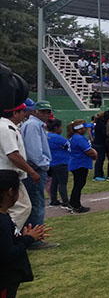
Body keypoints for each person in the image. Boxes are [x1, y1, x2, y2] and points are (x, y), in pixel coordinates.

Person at [0, 170, 51, 298]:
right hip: (5, 279)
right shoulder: (2, 222)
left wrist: (22, 238)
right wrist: (28, 239)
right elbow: (7, 254)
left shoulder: (5, 216)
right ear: (11, 192)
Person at [19, 100, 53, 244]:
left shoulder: (35, 125)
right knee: (36, 204)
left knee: (34, 203)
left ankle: (31, 237)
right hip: (35, 168)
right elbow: (35, 152)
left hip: (34, 167)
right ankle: (34, 240)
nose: (46, 114)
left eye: (48, 112)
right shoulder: (33, 125)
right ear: (35, 111)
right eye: (43, 111)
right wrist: (44, 164)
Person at [0, 103, 36, 231]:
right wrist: (31, 171)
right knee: (22, 208)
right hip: (8, 175)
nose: (25, 114)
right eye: (22, 111)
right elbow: (13, 154)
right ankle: (9, 236)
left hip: (6, 173)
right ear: (15, 113)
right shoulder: (6, 127)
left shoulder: (6, 126)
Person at [66, 120, 96, 213]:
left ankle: (72, 203)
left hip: (77, 163)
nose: (86, 129)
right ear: (79, 130)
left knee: (78, 185)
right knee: (79, 185)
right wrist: (95, 154)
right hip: (80, 163)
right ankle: (76, 205)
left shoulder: (74, 137)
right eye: (84, 128)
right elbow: (88, 151)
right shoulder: (79, 138)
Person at [46, 119, 70, 209]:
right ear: (56, 128)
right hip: (61, 162)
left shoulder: (46, 136)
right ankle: (65, 201)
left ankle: (53, 200)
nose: (61, 129)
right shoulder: (58, 137)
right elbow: (69, 146)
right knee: (62, 183)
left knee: (54, 182)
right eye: (60, 127)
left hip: (51, 162)